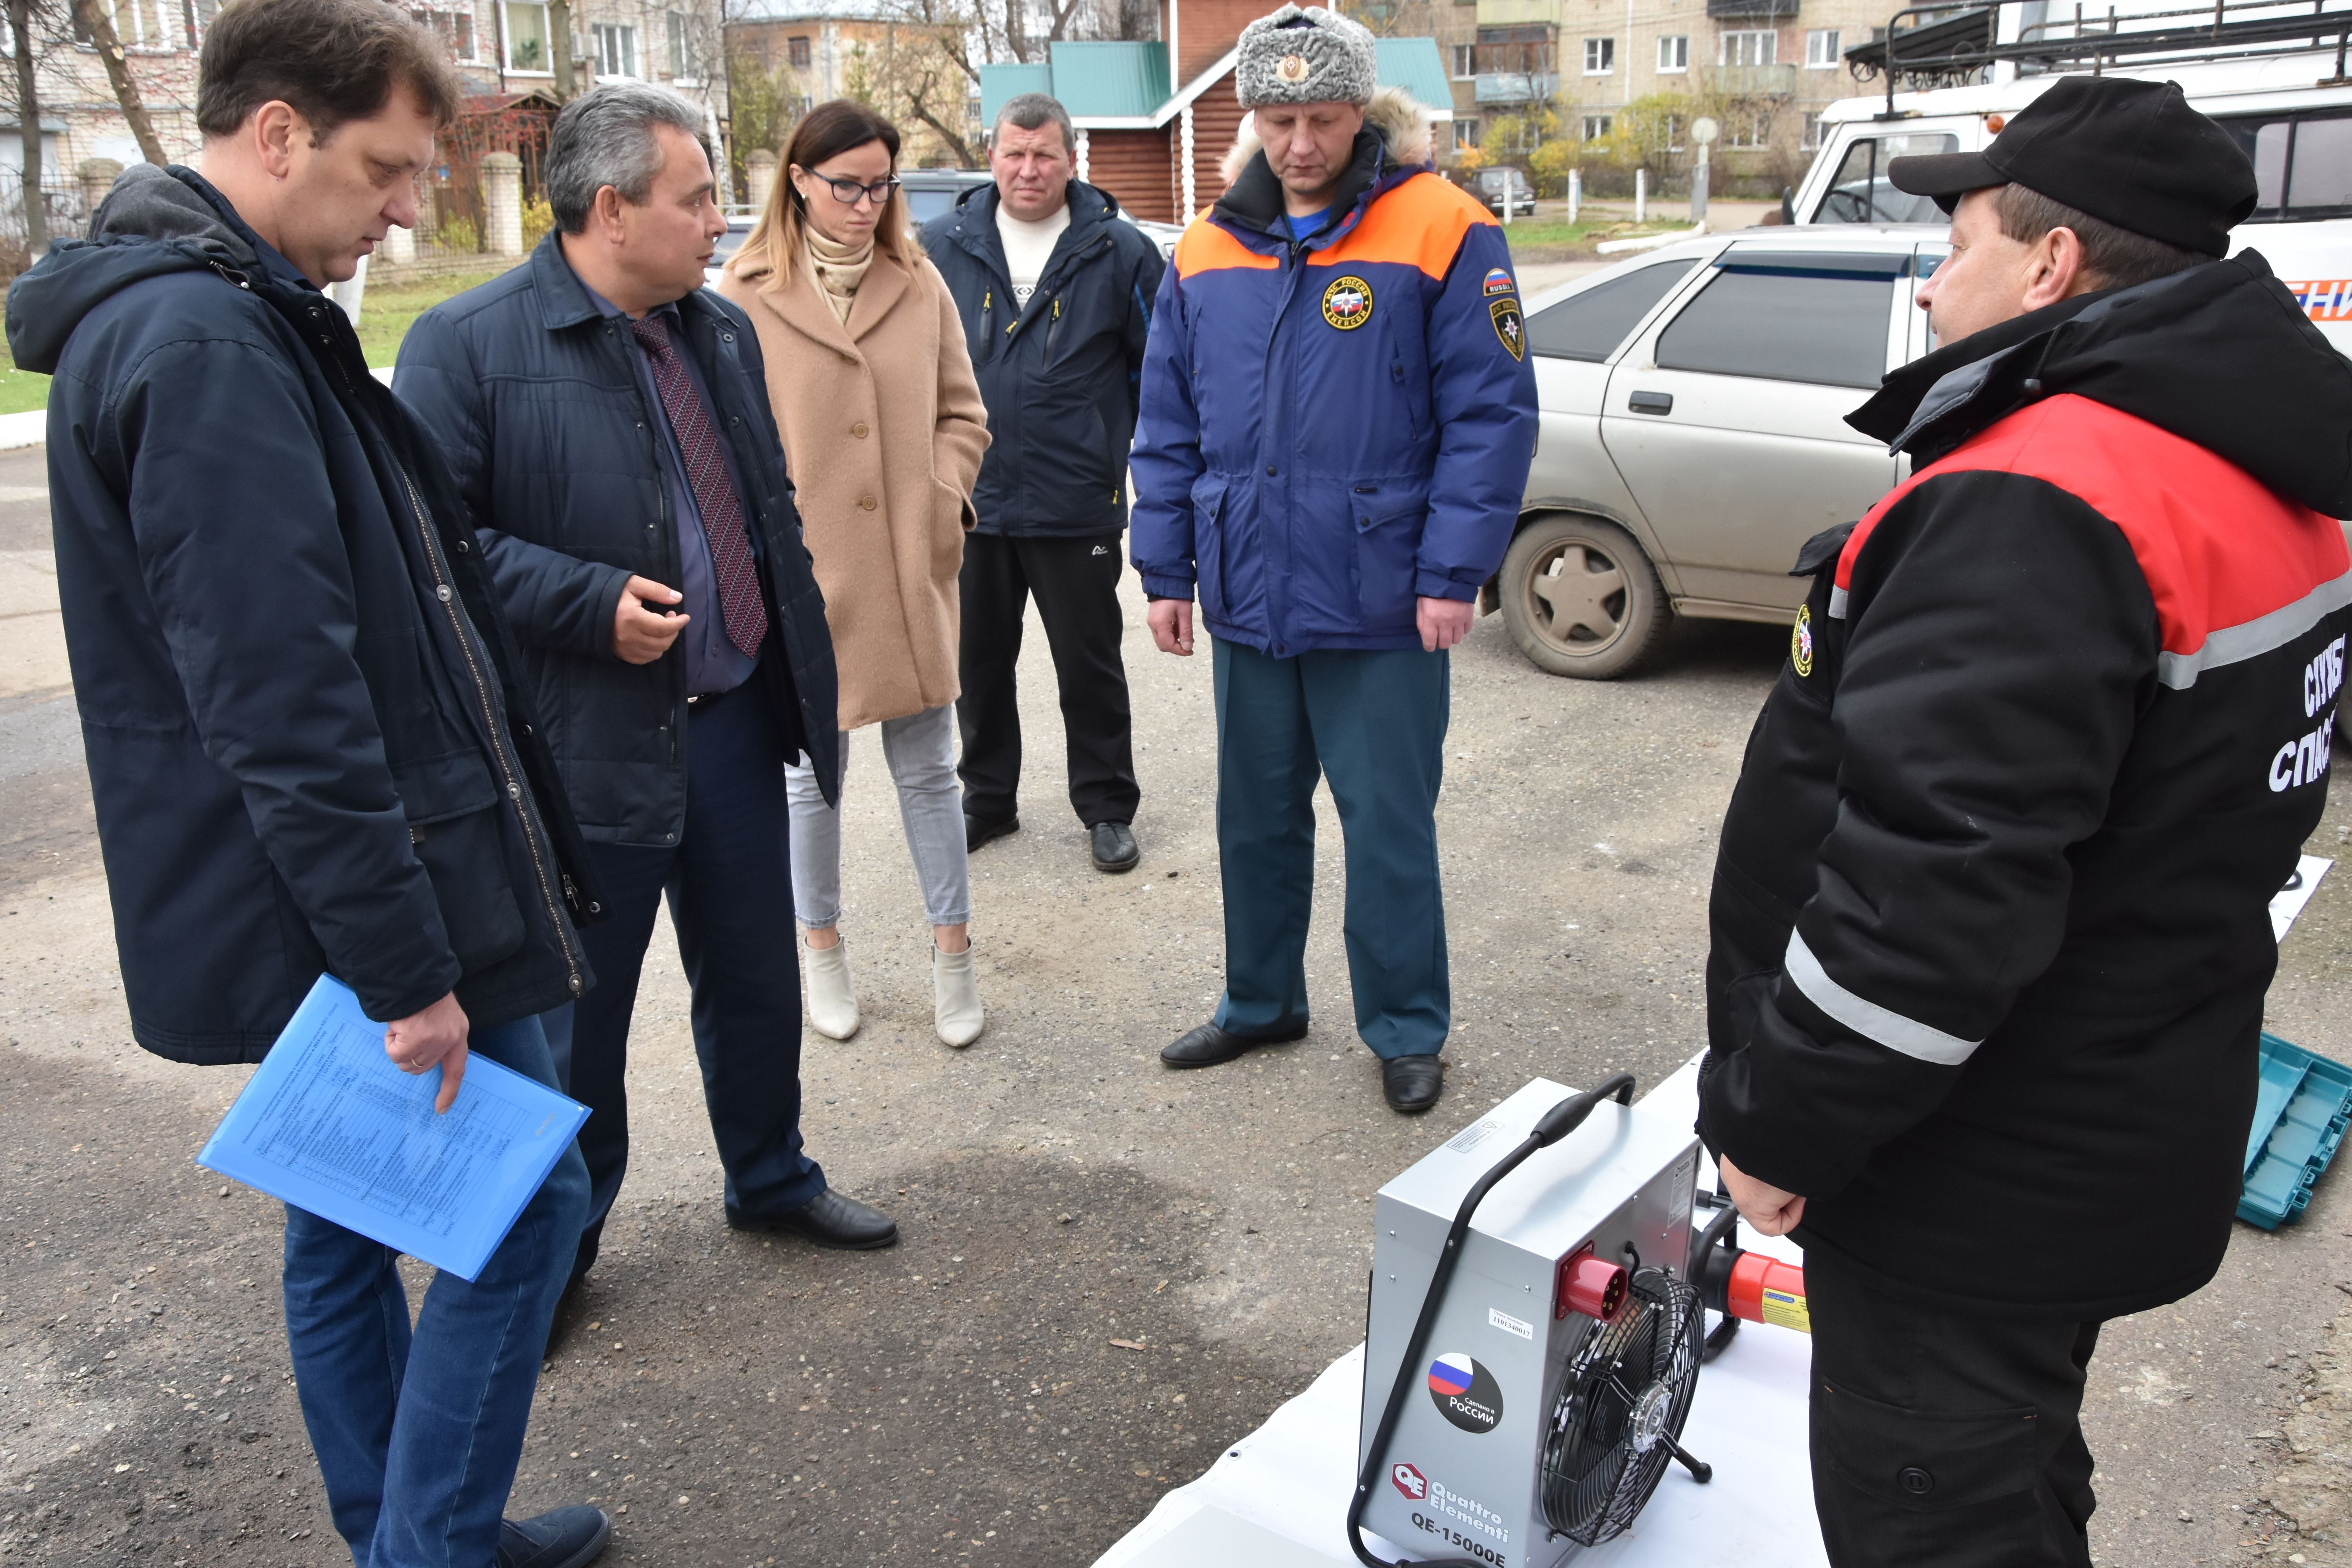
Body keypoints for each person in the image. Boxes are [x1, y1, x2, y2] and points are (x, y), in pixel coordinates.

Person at [1695, 78, 2352, 1568]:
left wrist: (1782, 1126)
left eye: (1962, 239)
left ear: (2050, 267)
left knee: (1935, 1510)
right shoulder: (2251, 464)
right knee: (2006, 1462)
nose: (1935, 281)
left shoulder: (2048, 497)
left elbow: (1930, 909)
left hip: (1974, 1171)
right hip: (2117, 1109)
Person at [3, 2, 613, 1564]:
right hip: (379, 886)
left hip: (360, 868)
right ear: (276, 134)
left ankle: (406, 1532)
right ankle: (428, 1545)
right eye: (388, 170)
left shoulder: (234, 308)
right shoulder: (204, 342)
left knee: (349, 1218)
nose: (409, 208)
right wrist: (407, 967)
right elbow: (286, 703)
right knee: (527, 1206)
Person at [396, 82, 901, 1300]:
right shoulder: (467, 345)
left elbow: (762, 507)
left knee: (755, 979)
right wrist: (587, 606)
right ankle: (557, 1256)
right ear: (611, 210)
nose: (720, 220)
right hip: (581, 754)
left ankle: (769, 1176)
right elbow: (428, 548)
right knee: (582, 1026)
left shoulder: (714, 329)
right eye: (695, 200)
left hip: (729, 724)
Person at [1129, 5, 1537, 1116]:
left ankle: (1406, 1024)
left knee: (1388, 824)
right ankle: (1260, 1001)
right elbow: (1167, 422)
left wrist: (1454, 575)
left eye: (1321, 117)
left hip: (1385, 603)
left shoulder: (1441, 227)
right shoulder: (1207, 246)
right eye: (1277, 118)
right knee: (1254, 817)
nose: (1299, 144)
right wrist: (1166, 571)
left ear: (1364, 112)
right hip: (1250, 597)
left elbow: (1493, 416)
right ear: (1249, 116)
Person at [717, 100, 993, 1048]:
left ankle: (953, 955)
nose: (868, 204)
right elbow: (720, 441)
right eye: (848, 185)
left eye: (882, 185)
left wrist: (941, 495)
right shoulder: (742, 292)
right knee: (810, 781)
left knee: (930, 774)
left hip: (910, 569)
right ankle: (821, 948)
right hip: (807, 576)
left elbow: (965, 414)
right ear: (798, 179)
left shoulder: (920, 284)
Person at [923, 92, 1167, 874]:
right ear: (991, 156)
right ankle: (987, 801)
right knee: (977, 666)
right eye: (1014, 153)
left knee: (1090, 664)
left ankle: (1106, 807)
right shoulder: (939, 246)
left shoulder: (1121, 252)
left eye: (1044, 155)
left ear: (1072, 160)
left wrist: (1117, 450)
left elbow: (1159, 372)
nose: (1029, 169)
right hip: (973, 499)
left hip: (1076, 500)